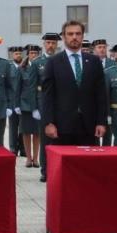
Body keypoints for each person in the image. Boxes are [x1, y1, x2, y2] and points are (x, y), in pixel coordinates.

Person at [40, 21, 108, 180]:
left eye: (78, 34)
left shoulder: (94, 61)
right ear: (63, 37)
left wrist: (101, 121)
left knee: (88, 169)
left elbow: (100, 94)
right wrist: (48, 122)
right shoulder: (54, 62)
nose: (74, 37)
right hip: (62, 126)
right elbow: (47, 95)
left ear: (83, 36)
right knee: (63, 170)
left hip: (88, 125)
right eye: (70, 34)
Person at [33, 32, 60, 180]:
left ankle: (56, 169)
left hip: (60, 105)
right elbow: (31, 86)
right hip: (43, 104)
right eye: (48, 43)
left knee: (58, 139)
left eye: (53, 43)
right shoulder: (37, 63)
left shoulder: (61, 60)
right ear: (44, 44)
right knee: (45, 139)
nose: (51, 45)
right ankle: (45, 171)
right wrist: (34, 107)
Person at [18, 44, 42, 168]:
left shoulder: (42, 67)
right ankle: (28, 158)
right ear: (27, 55)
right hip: (25, 104)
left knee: (37, 133)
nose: (33, 56)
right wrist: (16, 105)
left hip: (38, 104)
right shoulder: (22, 68)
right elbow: (18, 87)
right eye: (31, 53)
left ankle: (36, 158)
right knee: (26, 132)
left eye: (36, 53)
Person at [6, 45, 26, 156]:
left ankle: (23, 149)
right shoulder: (8, 67)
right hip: (12, 102)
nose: (18, 55)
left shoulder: (25, 66)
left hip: (23, 102)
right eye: (16, 54)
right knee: (13, 127)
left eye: (20, 53)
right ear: (12, 55)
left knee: (23, 127)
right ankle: (13, 148)